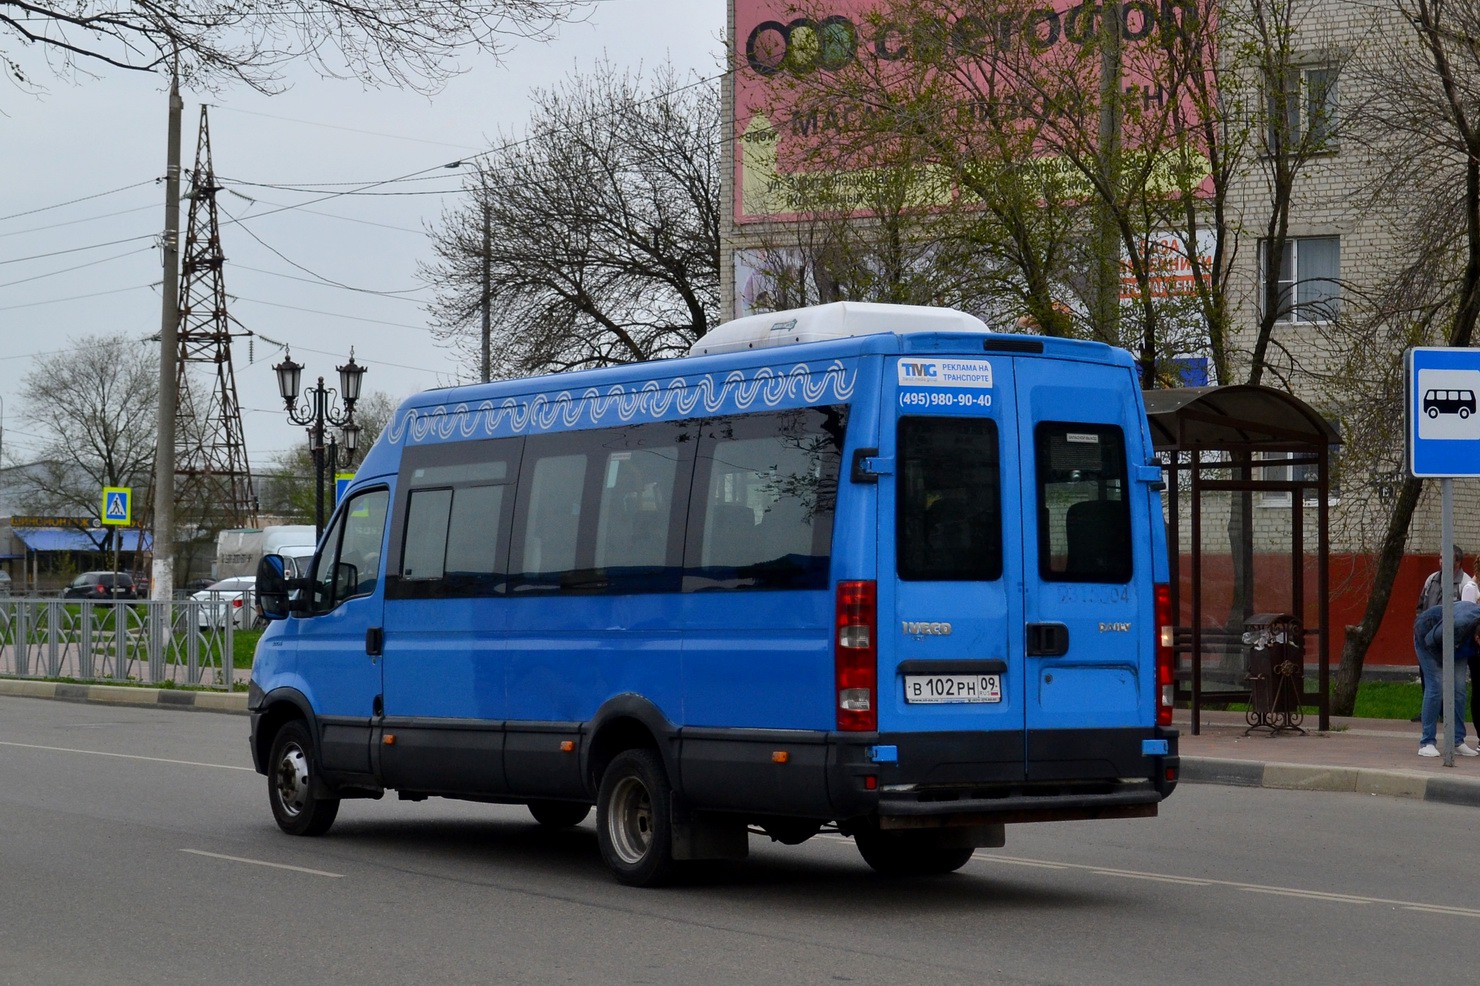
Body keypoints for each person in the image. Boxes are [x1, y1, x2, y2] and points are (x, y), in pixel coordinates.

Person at [1412, 545, 1480, 721]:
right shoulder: (1432, 579)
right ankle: (1432, 719)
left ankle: (1450, 723)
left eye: (1446, 558)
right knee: (1431, 682)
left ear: (1457, 562)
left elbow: (1465, 617)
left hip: (1454, 641)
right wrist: (1421, 624)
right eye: (1441, 558)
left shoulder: (1464, 583)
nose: (1442, 562)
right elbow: (1422, 604)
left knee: (1454, 686)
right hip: (1429, 635)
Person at [1412, 598, 1480, 757]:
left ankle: (1457, 741)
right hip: (1428, 635)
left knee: (1460, 690)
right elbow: (1430, 640)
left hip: (1458, 643)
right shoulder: (1459, 625)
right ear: (1477, 639)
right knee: (1436, 686)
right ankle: (1427, 742)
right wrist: (1443, 668)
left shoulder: (1472, 631)